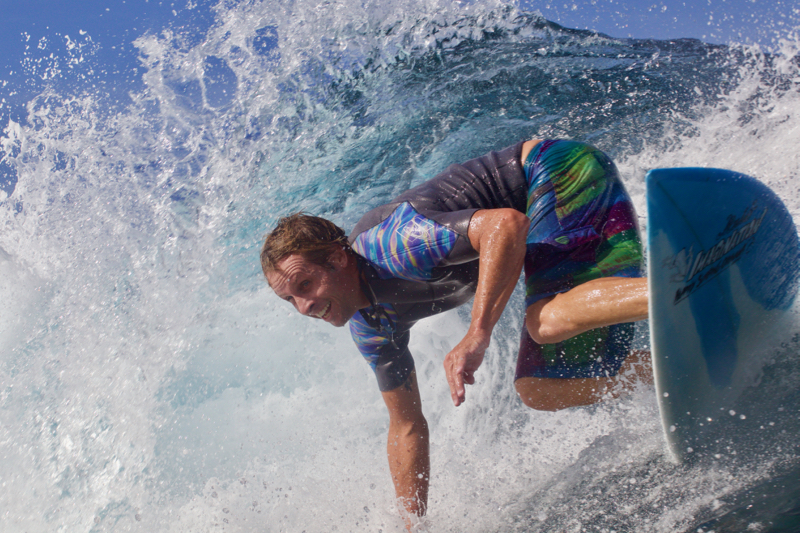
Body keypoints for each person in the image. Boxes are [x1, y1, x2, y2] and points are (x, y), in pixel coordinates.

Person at [261, 139, 650, 524]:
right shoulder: (371, 326)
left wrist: (478, 332)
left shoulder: (391, 247)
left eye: (305, 285)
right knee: (539, 389)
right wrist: (414, 526)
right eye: (290, 299)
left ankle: (679, 285)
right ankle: (658, 367)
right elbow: (406, 426)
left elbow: (506, 225)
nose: (304, 307)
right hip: (549, 210)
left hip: (558, 170)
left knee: (545, 321)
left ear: (336, 259)